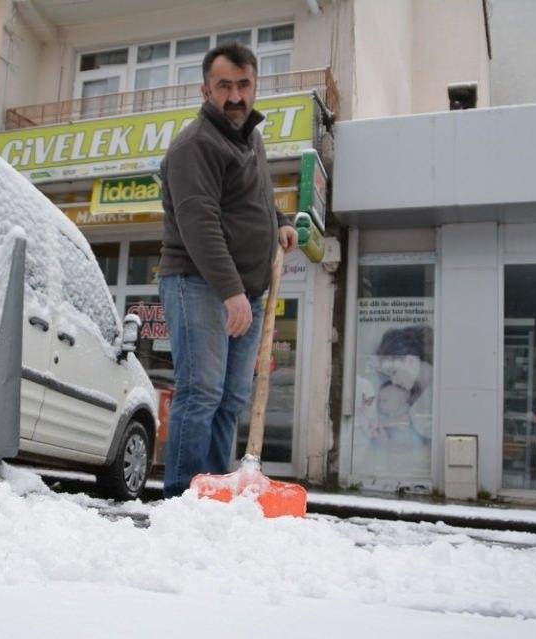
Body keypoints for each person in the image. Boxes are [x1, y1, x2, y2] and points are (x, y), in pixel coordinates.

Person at [157, 42, 297, 498]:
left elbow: (256, 196)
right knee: (200, 393)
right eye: (224, 86)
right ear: (205, 90)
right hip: (198, 283)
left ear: (255, 86)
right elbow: (199, 224)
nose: (235, 96)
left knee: (230, 400)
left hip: (244, 291)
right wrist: (231, 290)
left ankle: (215, 491)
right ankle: (183, 496)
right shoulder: (195, 145)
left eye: (243, 85)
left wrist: (279, 222)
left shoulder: (249, 137)